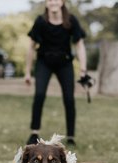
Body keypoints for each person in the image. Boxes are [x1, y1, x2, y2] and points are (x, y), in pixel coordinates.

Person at [25, 0, 87, 146]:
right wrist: (27, 72)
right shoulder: (40, 21)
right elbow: (31, 47)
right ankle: (34, 133)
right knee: (39, 94)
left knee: (69, 99)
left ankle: (71, 136)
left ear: (62, 2)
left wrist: (83, 69)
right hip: (44, 62)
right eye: (50, 0)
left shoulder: (71, 20)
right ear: (46, 3)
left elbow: (79, 45)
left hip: (64, 63)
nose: (53, 2)